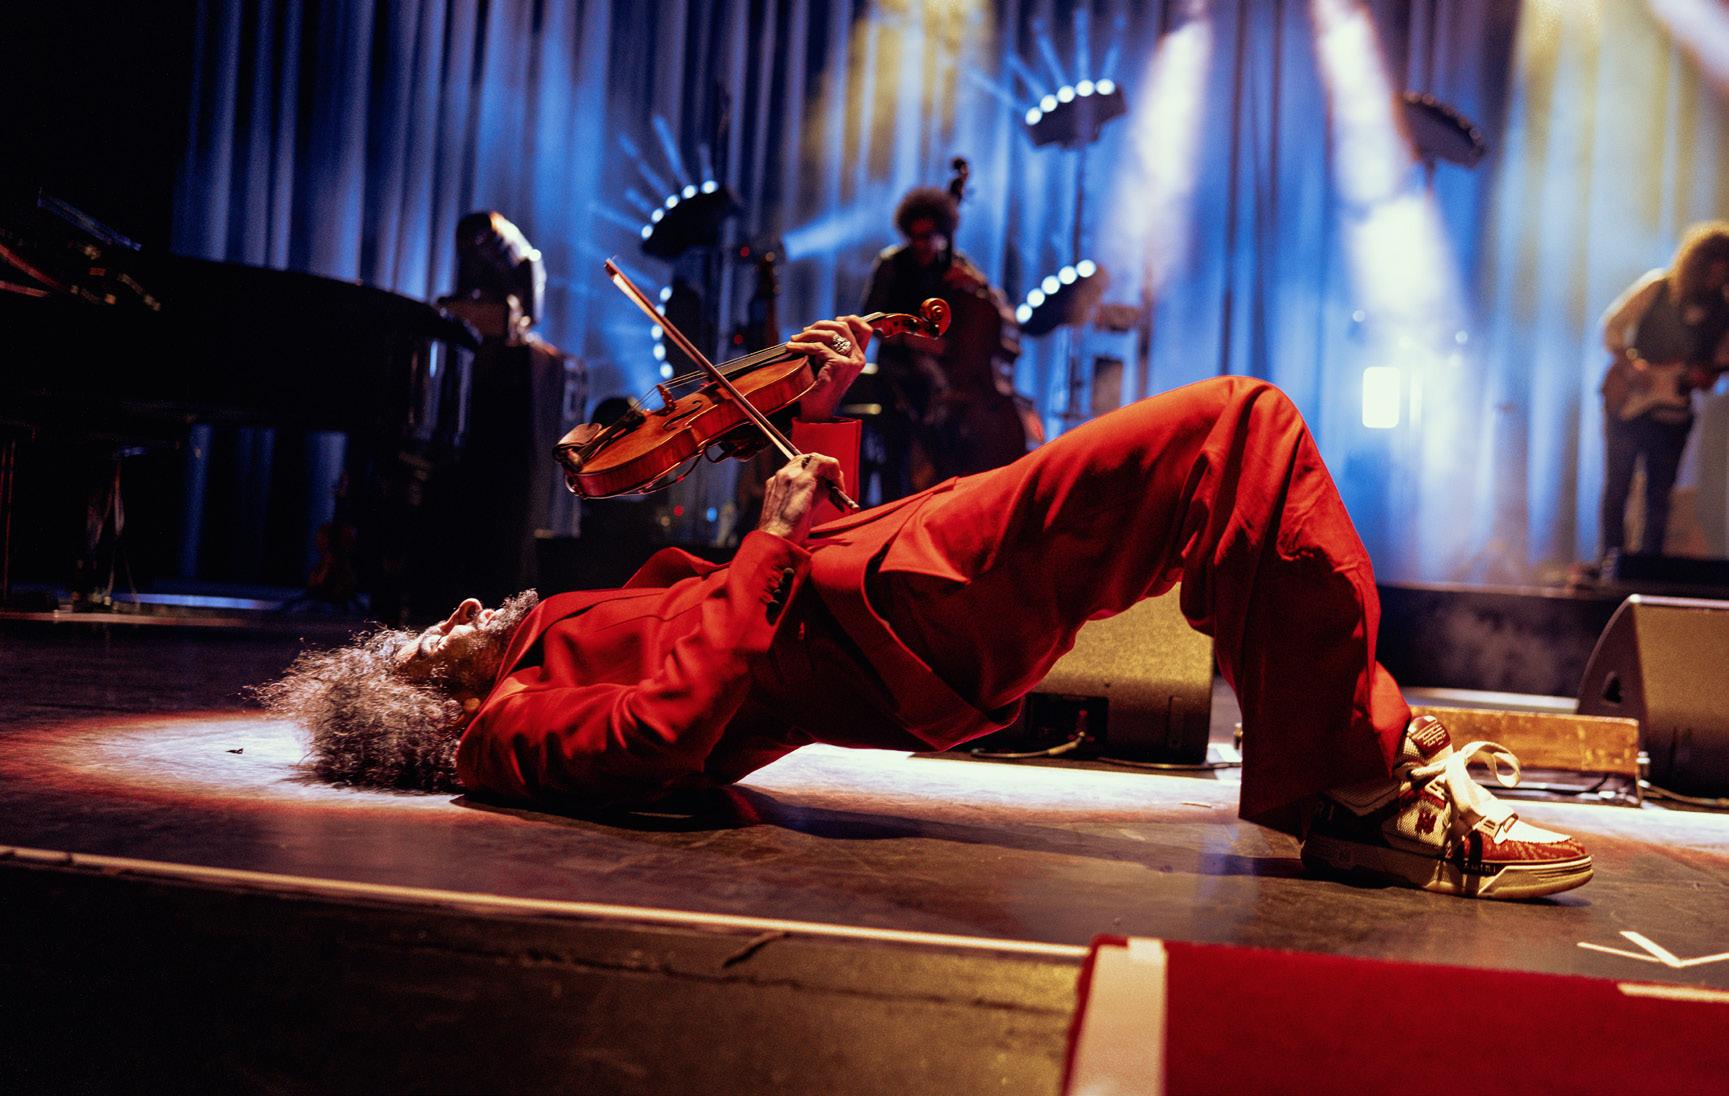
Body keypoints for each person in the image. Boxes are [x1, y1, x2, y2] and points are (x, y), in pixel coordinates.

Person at [261, 315, 1593, 901]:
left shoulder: (552, 636)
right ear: (421, 700)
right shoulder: (501, 734)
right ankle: (1356, 784)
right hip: (899, 613)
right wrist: (771, 538)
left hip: (890, 575)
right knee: (1234, 429)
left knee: (1230, 467)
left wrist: (813, 413)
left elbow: (761, 580)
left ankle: (1347, 779)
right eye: (430, 638)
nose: (459, 609)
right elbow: (667, 730)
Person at [858, 187, 1031, 501]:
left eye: (929, 236)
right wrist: (914, 339)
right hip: (902, 377)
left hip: (957, 384)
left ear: (943, 233)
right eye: (915, 237)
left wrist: (979, 286)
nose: (922, 245)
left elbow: (999, 310)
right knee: (900, 446)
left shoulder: (956, 264)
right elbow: (870, 322)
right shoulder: (892, 264)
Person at [1598, 221, 1729, 557]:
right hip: (1629, 403)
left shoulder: (1722, 313)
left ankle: (1648, 571)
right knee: (1617, 488)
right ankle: (1610, 564)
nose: (1715, 278)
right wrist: (1631, 366)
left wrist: (1706, 376)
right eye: (1711, 269)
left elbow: (1712, 373)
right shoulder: (1658, 287)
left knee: (1659, 497)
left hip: (1673, 416)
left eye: (1723, 272)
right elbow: (1612, 326)